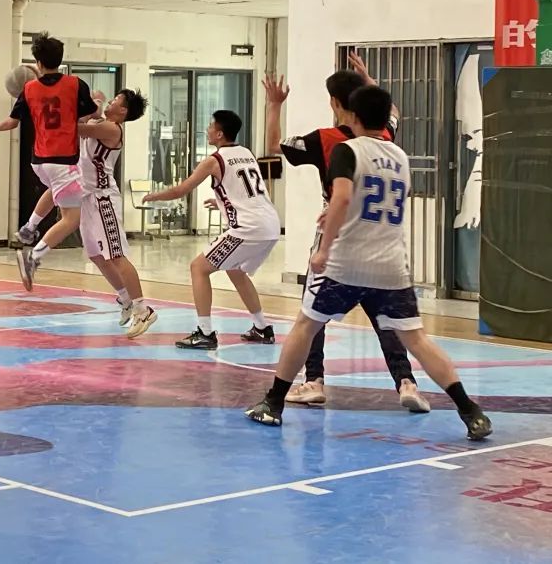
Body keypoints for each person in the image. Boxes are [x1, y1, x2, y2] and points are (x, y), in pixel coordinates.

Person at [246, 86, 492, 441]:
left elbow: (343, 197)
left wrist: (324, 248)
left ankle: (274, 403)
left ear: (352, 116)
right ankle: (470, 411)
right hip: (391, 264)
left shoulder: (346, 149)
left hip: (346, 262)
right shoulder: (400, 155)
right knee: (417, 339)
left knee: (306, 325)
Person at [265, 53, 429, 413]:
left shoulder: (325, 140)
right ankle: (406, 381)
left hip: (339, 233)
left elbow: (274, 145)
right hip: (382, 240)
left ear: (335, 103)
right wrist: (369, 81)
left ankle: (314, 380)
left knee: (312, 316)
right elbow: (393, 111)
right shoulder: (384, 136)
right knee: (388, 318)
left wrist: (274, 105)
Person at [143, 110, 278, 350]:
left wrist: (155, 196)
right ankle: (262, 328)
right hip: (270, 224)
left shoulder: (214, 160)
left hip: (248, 228)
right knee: (235, 270)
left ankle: (205, 333)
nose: (207, 129)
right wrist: (223, 202)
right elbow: (248, 190)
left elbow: (181, 190)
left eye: (210, 126)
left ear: (219, 134)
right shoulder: (246, 152)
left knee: (198, 267)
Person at [29, 89, 158, 338]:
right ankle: (125, 299)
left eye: (116, 100)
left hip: (103, 199)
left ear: (123, 110)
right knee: (97, 256)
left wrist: (83, 106)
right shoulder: (99, 122)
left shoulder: (112, 129)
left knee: (116, 256)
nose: (111, 101)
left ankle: (143, 309)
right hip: (87, 197)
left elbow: (74, 128)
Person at [0, 32, 97, 291]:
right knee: (71, 219)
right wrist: (94, 108)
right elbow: (90, 113)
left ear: (38, 62)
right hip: (63, 159)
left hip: (39, 161)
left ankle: (29, 227)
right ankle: (34, 257)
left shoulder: (29, 89)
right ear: (60, 59)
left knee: (53, 189)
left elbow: (12, 121)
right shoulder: (75, 84)